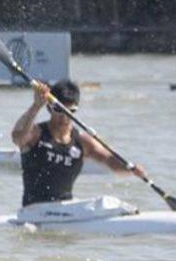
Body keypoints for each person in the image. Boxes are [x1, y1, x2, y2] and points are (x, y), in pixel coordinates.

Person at [11, 79, 147, 207]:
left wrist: (131, 169)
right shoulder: (36, 134)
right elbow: (17, 137)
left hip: (65, 207)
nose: (64, 117)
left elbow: (109, 160)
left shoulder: (83, 142)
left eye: (71, 111)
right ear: (49, 108)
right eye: (59, 110)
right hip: (34, 209)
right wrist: (35, 106)